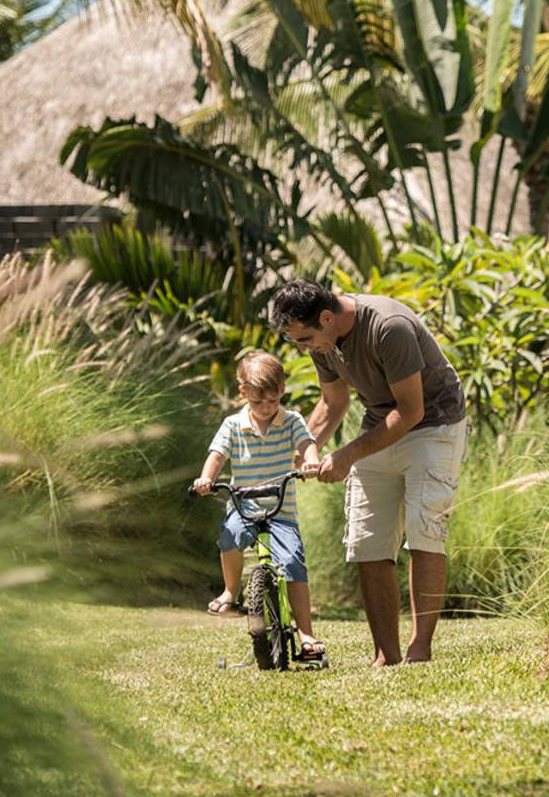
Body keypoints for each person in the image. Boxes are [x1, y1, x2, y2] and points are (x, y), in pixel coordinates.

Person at [268, 280, 467, 666]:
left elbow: (411, 411)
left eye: (305, 339)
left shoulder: (387, 326)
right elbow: (332, 402)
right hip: (380, 424)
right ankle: (386, 656)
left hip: (435, 423)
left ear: (327, 318)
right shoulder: (323, 339)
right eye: (297, 342)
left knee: (424, 530)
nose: (303, 349)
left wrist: (347, 455)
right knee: (367, 541)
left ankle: (419, 649)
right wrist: (302, 451)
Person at [191, 350, 324, 661]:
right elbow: (217, 455)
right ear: (243, 393)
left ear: (281, 392)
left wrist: (311, 462)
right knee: (229, 536)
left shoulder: (292, 421)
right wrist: (206, 478)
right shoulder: (233, 424)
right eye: (258, 401)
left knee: (292, 563)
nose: (266, 408)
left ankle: (306, 632)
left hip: (282, 512)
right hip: (244, 507)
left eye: (273, 401)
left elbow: (307, 444)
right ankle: (230, 591)